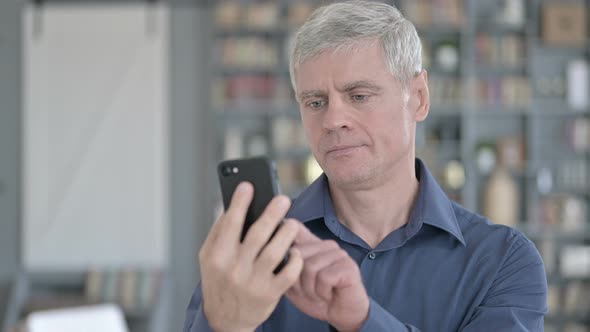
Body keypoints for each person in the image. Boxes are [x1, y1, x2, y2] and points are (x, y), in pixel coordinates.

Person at [184, 1, 548, 331]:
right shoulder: (249, 258)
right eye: (315, 102)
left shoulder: (503, 261)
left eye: (359, 96)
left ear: (418, 98)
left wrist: (362, 320)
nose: (332, 120)